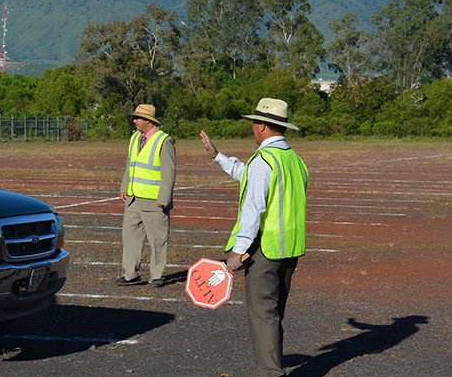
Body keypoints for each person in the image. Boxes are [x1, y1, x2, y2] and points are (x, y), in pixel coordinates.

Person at [200, 98, 309, 377]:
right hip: (290, 250)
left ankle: (271, 372)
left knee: (263, 316)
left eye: (254, 122)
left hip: (265, 251)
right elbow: (249, 176)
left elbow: (254, 208)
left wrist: (238, 251)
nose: (252, 127)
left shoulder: (264, 160)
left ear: (261, 126)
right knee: (274, 315)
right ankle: (273, 365)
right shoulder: (293, 160)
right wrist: (218, 156)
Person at [115, 104, 176, 288]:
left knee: (158, 239)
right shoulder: (135, 138)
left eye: (137, 118)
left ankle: (156, 275)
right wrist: (125, 186)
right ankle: (130, 274)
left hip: (154, 201)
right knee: (130, 236)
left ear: (148, 121)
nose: (134, 121)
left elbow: (169, 172)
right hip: (133, 199)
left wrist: (164, 199)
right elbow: (130, 164)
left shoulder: (164, 141)